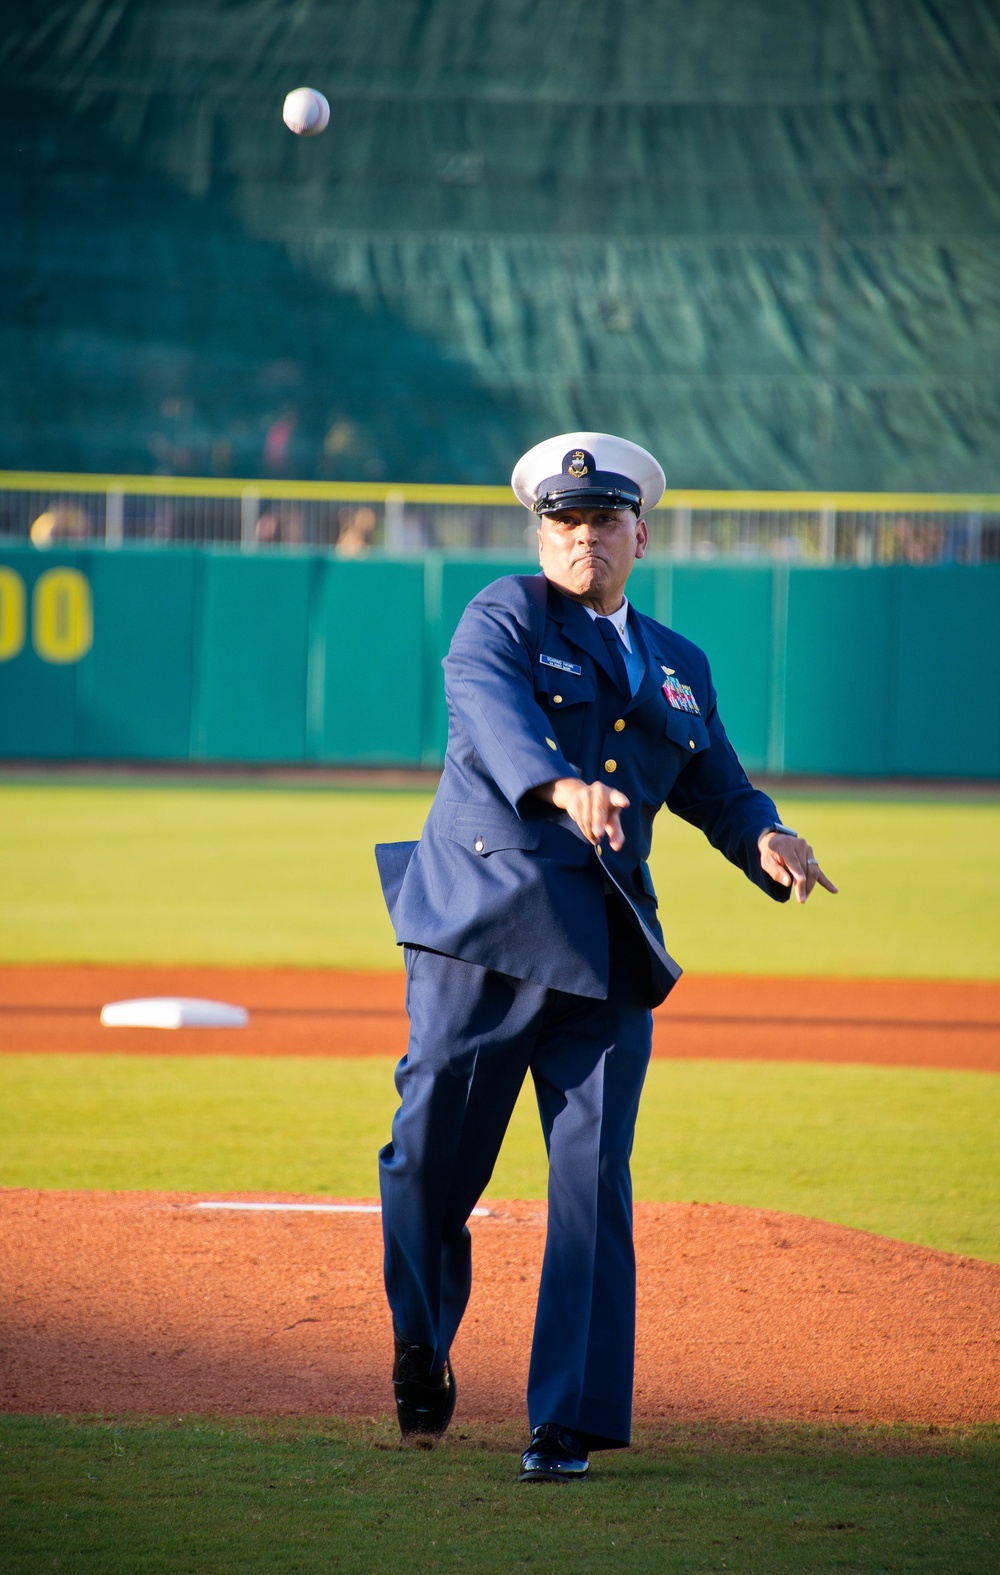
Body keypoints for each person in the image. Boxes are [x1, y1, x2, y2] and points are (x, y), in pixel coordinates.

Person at [374, 432, 837, 1483]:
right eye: (562, 521)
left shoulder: (677, 663)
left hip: (608, 945)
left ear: (640, 531)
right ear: (541, 533)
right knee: (427, 1167)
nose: (582, 537)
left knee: (590, 1181)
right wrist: (557, 785)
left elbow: (716, 782)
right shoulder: (504, 614)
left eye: (600, 521)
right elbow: (490, 722)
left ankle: (566, 1421)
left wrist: (763, 835)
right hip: (484, 935)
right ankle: (419, 1340)